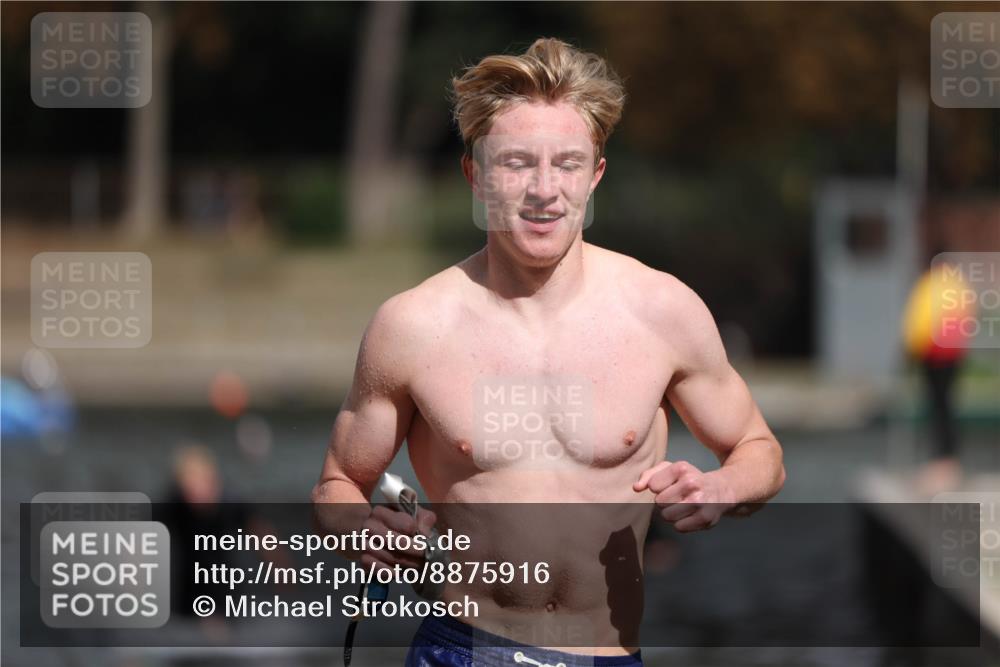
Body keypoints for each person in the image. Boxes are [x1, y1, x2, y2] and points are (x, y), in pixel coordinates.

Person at [312, 37, 785, 666]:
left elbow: (761, 452)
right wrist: (361, 531)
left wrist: (721, 489)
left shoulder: (661, 311)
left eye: (566, 164)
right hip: (464, 649)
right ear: (475, 175)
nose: (543, 190)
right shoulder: (413, 326)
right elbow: (338, 484)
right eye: (515, 163)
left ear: (595, 175)